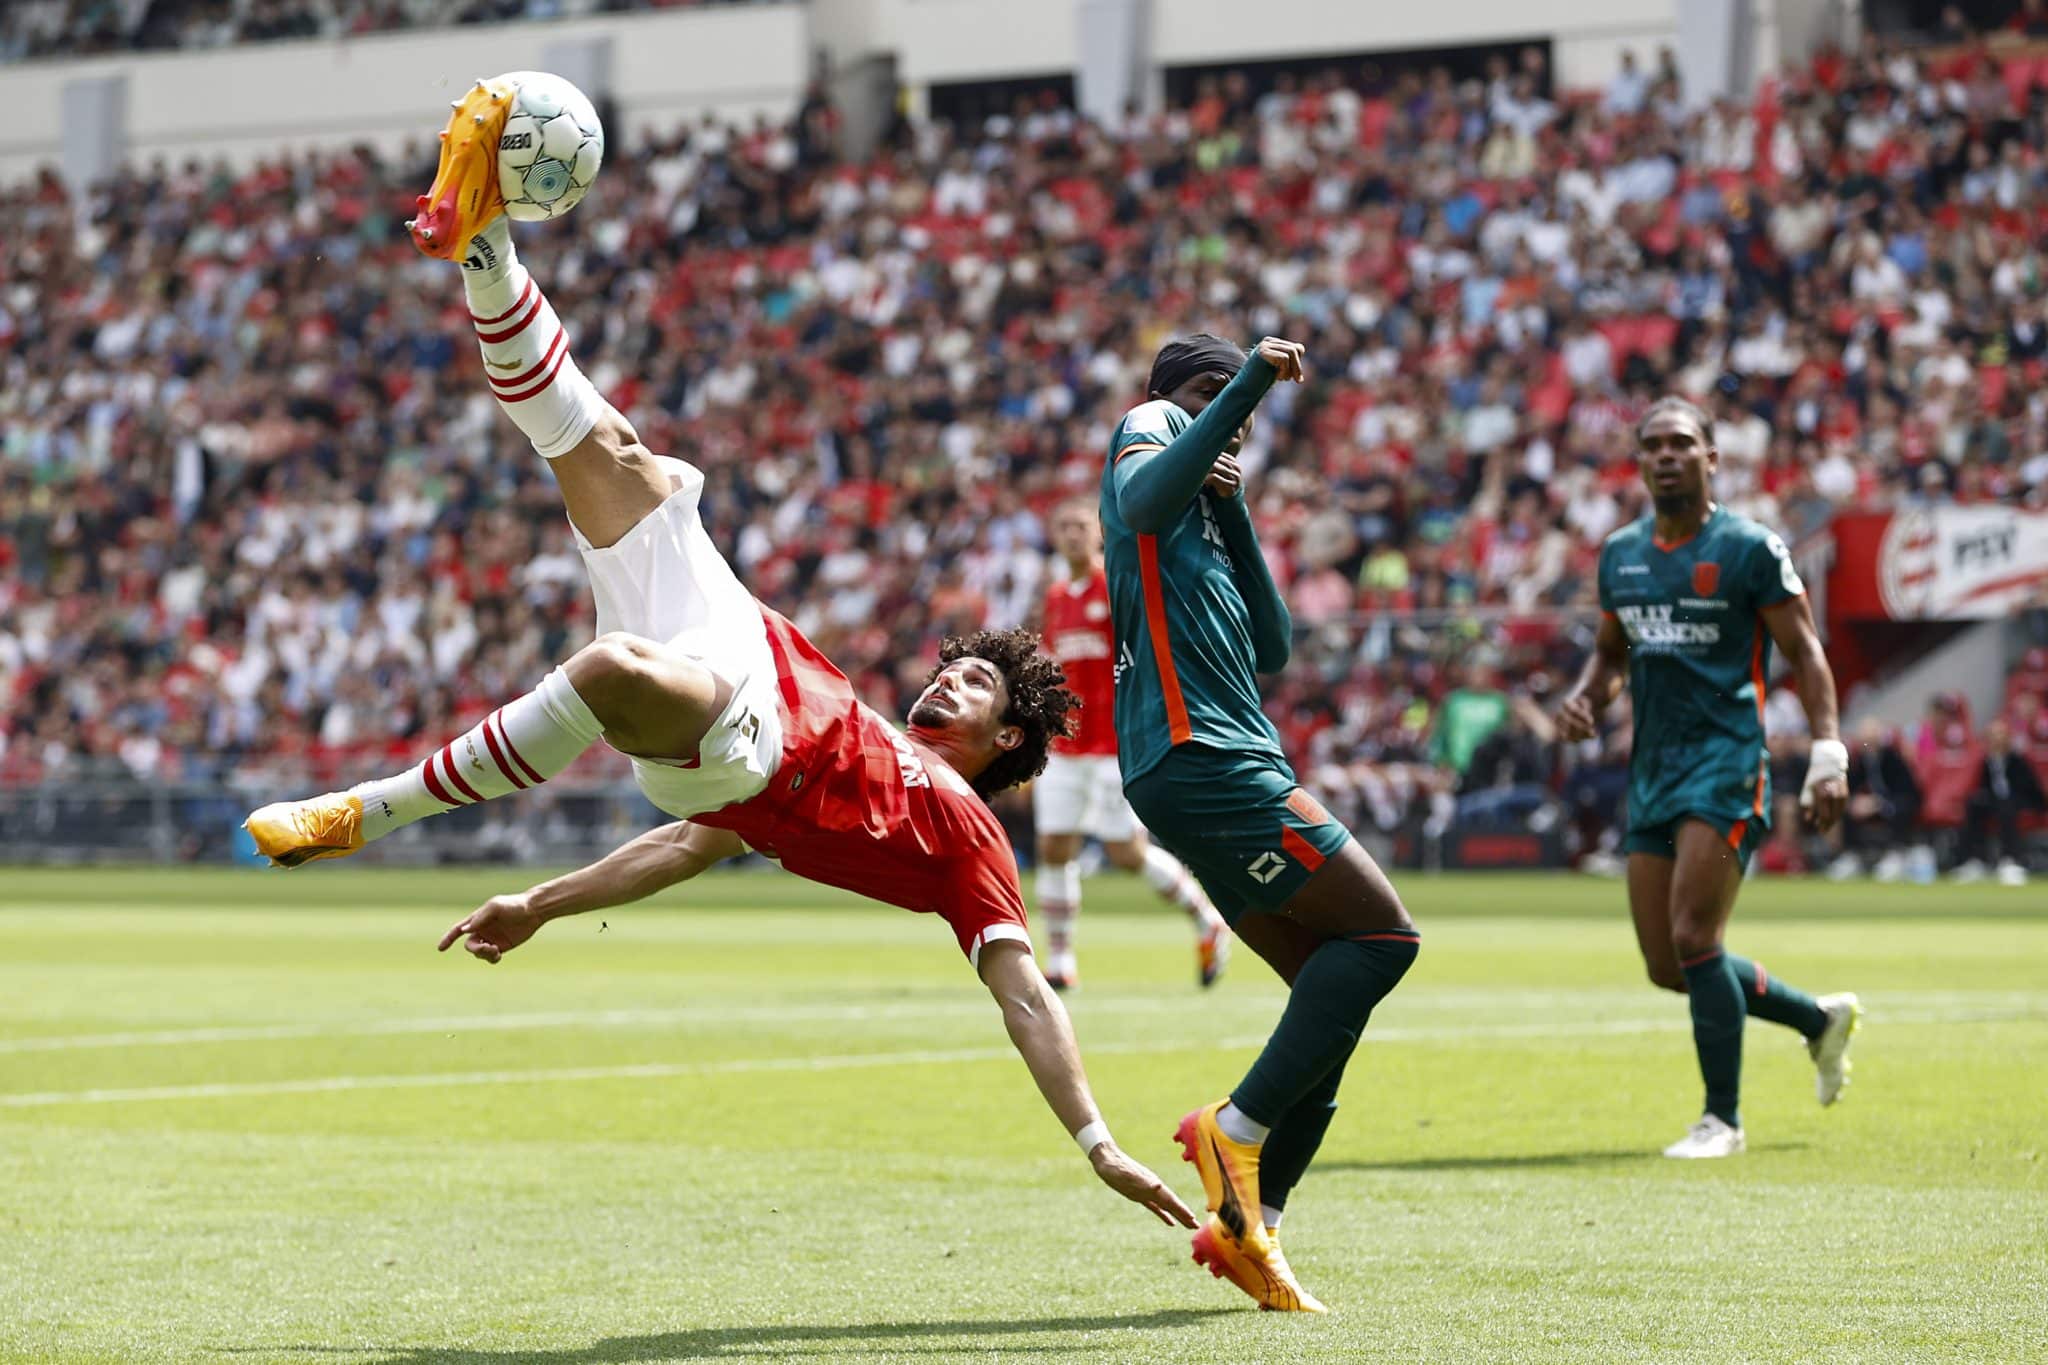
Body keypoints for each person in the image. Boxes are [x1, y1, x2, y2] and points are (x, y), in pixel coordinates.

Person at [242, 80, 1195, 1234]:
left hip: (749, 742)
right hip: (735, 628)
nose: (948, 678)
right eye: (957, 667)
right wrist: (541, 904)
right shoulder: (874, 724)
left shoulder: (965, 839)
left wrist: (1096, 1141)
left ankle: (364, 812)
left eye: (978, 685)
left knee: (611, 671)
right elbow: (680, 850)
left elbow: (1023, 993)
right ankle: (485, 251)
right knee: (610, 449)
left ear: (1007, 742)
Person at [1100, 334, 1422, 1312]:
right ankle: (1232, 1129)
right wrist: (1243, 381)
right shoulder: (1148, 427)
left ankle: (1254, 1226)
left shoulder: (1203, 502)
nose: (1229, 419)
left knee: (1328, 1007)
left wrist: (1235, 511)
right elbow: (1140, 501)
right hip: (1201, 755)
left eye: (1233, 408)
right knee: (1384, 937)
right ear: (1173, 395)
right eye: (1207, 395)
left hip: (1213, 760)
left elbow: (1273, 644)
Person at [1557, 396, 1862, 1161]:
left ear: (1712, 458)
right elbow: (1611, 652)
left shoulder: (1750, 548)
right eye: (1653, 445)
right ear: (1640, 462)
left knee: (1697, 935)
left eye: (1682, 443)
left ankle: (1721, 1119)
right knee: (1670, 965)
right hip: (1653, 769)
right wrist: (1588, 697)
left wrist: (1828, 750)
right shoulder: (1621, 554)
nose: (1666, 455)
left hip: (1727, 760)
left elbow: (1806, 653)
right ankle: (1817, 1020)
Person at [1033, 497, 1231, 991]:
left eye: (1080, 525)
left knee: (1125, 852)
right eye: (1064, 526)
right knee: (1054, 846)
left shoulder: (1116, 585)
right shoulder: (1056, 596)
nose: (1072, 534)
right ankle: (1060, 960)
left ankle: (1206, 918)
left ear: (1097, 533)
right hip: (1066, 743)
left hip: (1115, 742)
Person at [1950, 720, 2044, 886]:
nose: (1996, 739)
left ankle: (2011, 860)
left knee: (2006, 807)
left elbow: (2029, 788)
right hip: (1996, 802)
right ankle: (1975, 860)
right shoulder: (1986, 762)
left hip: (2020, 801)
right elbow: (1983, 786)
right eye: (1993, 736)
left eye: (2000, 735)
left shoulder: (2018, 760)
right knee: (1974, 805)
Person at [1830, 716, 1923, 882]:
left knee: (1898, 809)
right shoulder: (1858, 762)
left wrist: (1878, 803)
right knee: (1846, 809)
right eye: (1865, 742)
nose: (1868, 746)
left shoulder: (1894, 760)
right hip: (1870, 807)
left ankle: (1896, 855)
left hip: (1894, 803)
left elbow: (1906, 792)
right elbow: (1849, 788)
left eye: (1872, 741)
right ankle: (1851, 856)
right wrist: (1855, 802)